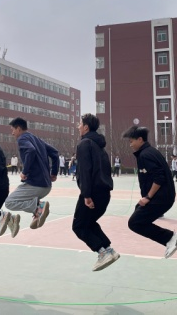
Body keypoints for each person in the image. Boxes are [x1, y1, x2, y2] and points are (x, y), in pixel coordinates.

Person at [123, 126, 177, 258]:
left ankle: (171, 238)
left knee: (134, 223)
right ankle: (169, 239)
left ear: (140, 139)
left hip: (161, 198)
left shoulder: (145, 155)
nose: (130, 145)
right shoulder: (150, 152)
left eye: (131, 141)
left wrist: (148, 197)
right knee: (138, 212)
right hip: (163, 197)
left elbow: (159, 178)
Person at [72, 114, 119, 271]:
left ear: (86, 127)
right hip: (104, 193)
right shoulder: (100, 146)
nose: (78, 126)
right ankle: (109, 250)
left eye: (80, 124)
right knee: (89, 223)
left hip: (92, 193)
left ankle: (102, 252)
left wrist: (86, 195)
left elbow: (85, 171)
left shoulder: (84, 144)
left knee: (78, 226)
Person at [5, 117, 59, 230]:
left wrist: (24, 172)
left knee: (9, 202)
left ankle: (38, 208)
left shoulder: (22, 139)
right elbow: (55, 153)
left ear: (18, 129)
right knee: (21, 197)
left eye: (12, 130)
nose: (12, 133)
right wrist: (54, 173)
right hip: (47, 186)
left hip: (35, 184)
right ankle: (37, 212)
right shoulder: (37, 139)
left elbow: (31, 150)